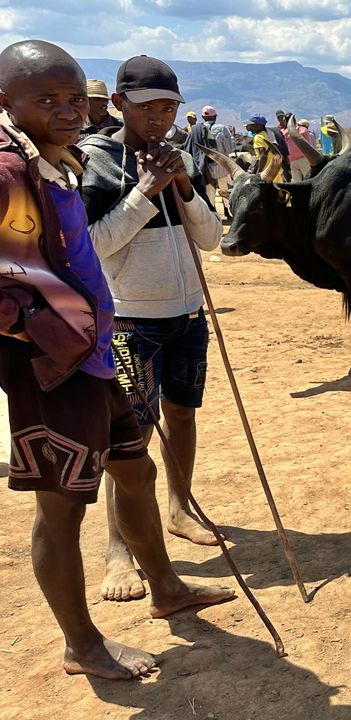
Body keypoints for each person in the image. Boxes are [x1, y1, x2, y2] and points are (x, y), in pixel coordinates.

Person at [0, 39, 234, 681]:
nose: (68, 110)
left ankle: (165, 587)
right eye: (46, 99)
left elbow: (210, 236)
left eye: (76, 97)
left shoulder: (55, 161)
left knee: (135, 469)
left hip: (96, 350)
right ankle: (82, 644)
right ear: (6, 102)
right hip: (55, 362)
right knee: (61, 504)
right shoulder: (10, 173)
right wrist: (47, 331)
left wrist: (180, 188)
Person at [78, 53, 229, 602]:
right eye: (148, 108)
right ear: (119, 104)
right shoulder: (96, 163)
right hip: (129, 320)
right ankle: (119, 550)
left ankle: (180, 508)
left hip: (187, 314)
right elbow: (90, 248)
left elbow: (210, 239)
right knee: (131, 441)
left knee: (183, 416)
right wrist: (144, 192)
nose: (160, 117)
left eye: (169, 107)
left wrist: (183, 187)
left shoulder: (179, 156)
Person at [183, 105, 235, 221]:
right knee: (227, 191)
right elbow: (230, 148)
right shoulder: (222, 128)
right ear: (215, 117)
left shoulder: (195, 130)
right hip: (222, 167)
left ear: (202, 117)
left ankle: (213, 218)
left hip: (205, 168)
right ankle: (231, 215)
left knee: (210, 194)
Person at [243, 114, 284, 181]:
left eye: (251, 125)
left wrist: (259, 173)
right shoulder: (267, 134)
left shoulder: (258, 137)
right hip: (275, 169)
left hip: (266, 172)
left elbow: (263, 156)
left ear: (259, 125)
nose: (249, 127)